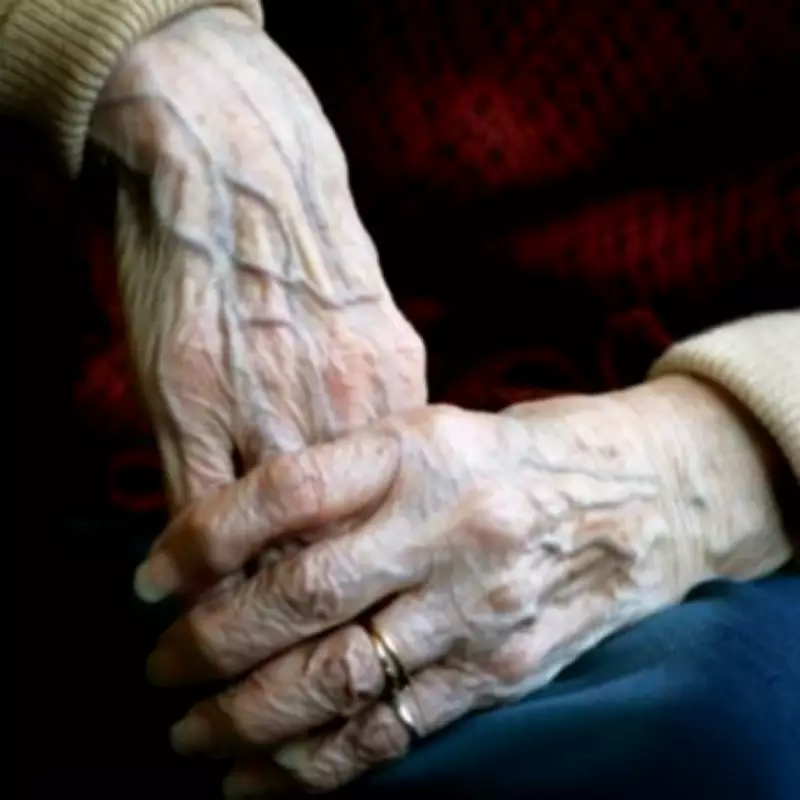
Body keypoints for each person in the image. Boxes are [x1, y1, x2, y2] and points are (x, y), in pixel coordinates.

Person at [3, 1, 798, 798]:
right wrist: (164, 50)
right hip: (95, 383)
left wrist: (693, 471)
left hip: (697, 469)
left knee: (698, 748)